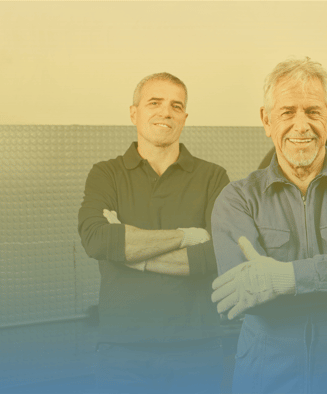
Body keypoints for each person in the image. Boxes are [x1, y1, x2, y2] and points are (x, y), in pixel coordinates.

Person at [210, 57, 327, 394]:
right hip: (267, 373)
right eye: (287, 112)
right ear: (266, 119)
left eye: (313, 112)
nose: (301, 125)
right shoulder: (237, 198)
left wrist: (284, 278)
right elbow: (245, 293)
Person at [78, 72, 228, 393]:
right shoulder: (106, 173)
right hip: (122, 350)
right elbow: (98, 240)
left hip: (198, 347)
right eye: (154, 103)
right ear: (134, 113)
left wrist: (131, 254)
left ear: (184, 118)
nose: (166, 112)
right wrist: (188, 236)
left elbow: (218, 254)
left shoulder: (213, 177)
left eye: (176, 106)